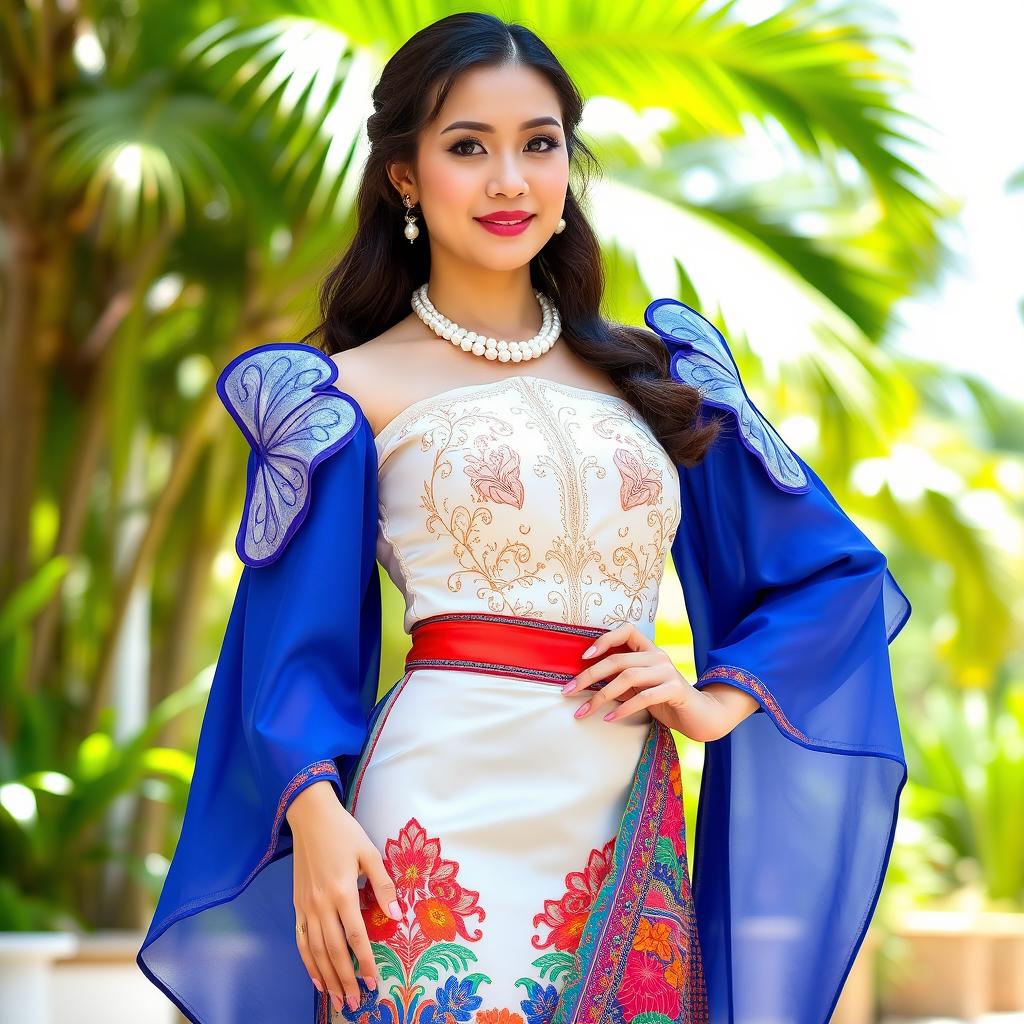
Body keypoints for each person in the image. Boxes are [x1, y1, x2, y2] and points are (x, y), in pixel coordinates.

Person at [136, 13, 911, 1024]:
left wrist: (716, 696)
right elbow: (288, 647)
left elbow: (829, 573)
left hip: (622, 810)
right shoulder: (344, 395)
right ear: (405, 177)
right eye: (468, 147)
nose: (510, 180)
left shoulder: (659, 378)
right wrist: (315, 812)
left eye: (538, 144)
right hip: (434, 818)